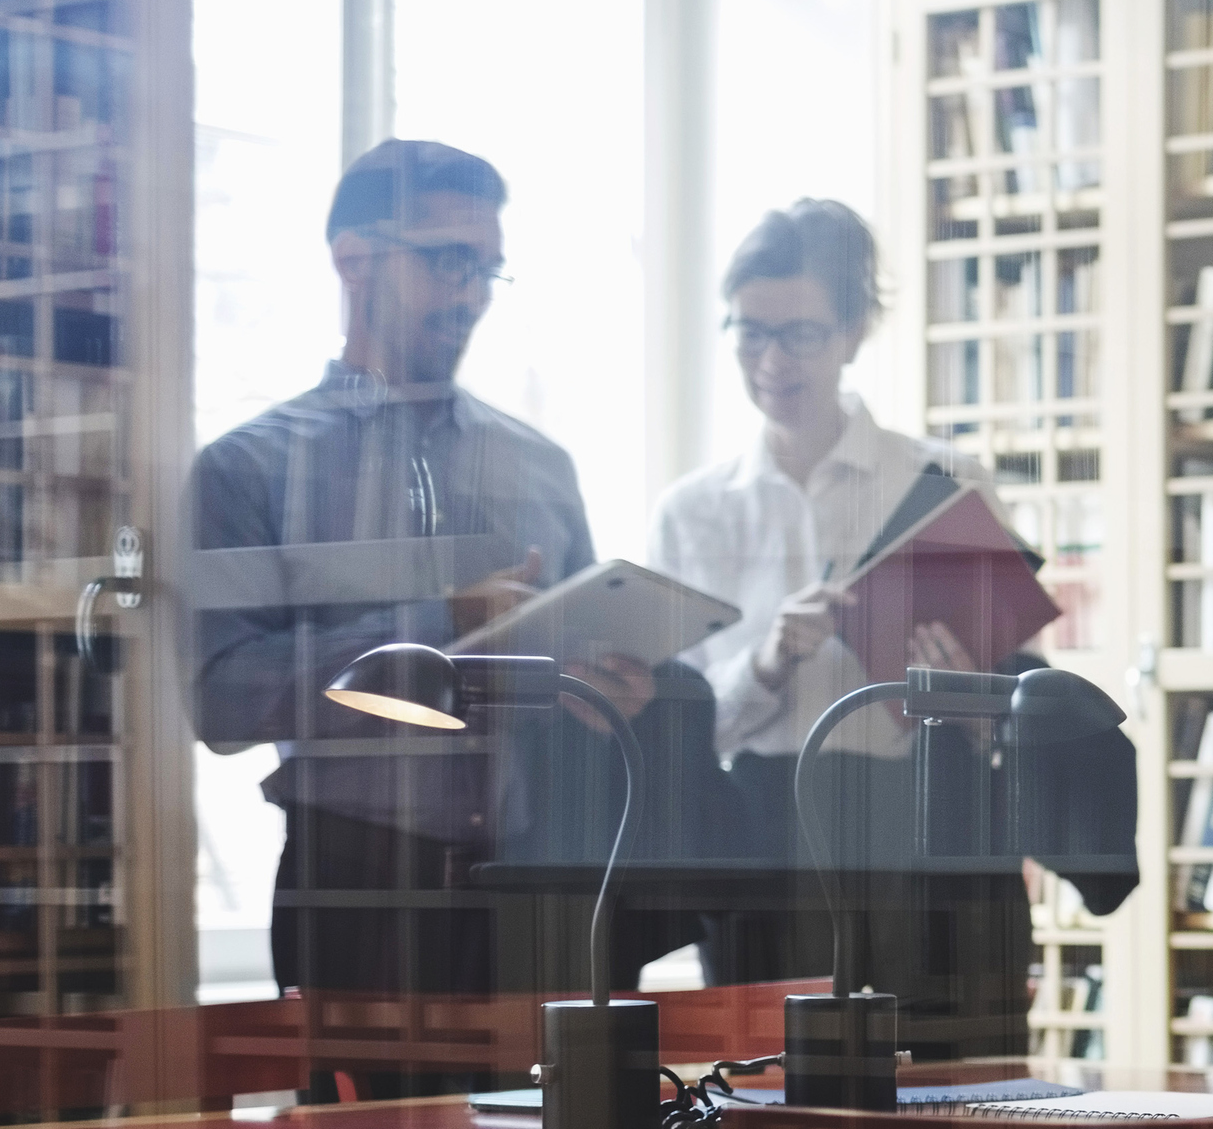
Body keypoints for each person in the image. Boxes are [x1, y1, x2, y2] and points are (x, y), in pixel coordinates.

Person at [189, 140, 711, 1063]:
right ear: (353, 258)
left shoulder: (539, 466)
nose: (469, 294)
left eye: (485, 268)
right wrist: (445, 627)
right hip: (352, 888)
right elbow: (222, 698)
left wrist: (610, 694)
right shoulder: (249, 468)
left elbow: (572, 675)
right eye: (446, 260)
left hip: (536, 890)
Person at [646, 200, 1133, 1043]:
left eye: (799, 333)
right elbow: (685, 735)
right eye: (748, 331)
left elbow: (1022, 698)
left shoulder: (948, 478)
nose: (770, 359)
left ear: (854, 329)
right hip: (771, 835)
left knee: (966, 1097)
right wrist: (765, 660)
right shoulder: (692, 514)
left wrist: (964, 691)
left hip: (933, 823)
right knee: (773, 1104)